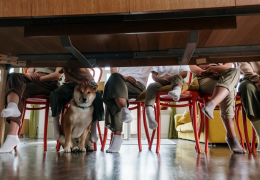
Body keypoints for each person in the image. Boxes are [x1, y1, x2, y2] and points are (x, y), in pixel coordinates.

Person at [0, 67, 62, 153]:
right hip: (33, 80)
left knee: (19, 90)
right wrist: (30, 75)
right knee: (13, 76)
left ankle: (12, 135)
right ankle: (12, 106)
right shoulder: (36, 53)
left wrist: (40, 78)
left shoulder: (60, 54)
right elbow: (30, 69)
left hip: (50, 83)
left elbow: (57, 75)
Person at [190, 63, 246, 153]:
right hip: (204, 78)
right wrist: (207, 72)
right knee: (230, 90)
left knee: (235, 71)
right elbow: (191, 65)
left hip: (223, 76)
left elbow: (227, 67)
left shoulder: (224, 50)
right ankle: (231, 136)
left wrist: (214, 69)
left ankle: (211, 104)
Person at [103, 66, 152, 153]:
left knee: (111, 92)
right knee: (114, 78)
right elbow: (113, 71)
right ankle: (124, 110)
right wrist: (124, 78)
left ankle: (117, 137)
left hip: (137, 85)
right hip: (119, 81)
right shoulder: (119, 55)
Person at [50, 68, 104, 143]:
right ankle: (56, 125)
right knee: (55, 94)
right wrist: (78, 80)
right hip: (70, 84)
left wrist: (89, 81)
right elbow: (65, 70)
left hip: (88, 83)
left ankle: (94, 126)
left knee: (97, 96)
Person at [145, 65, 189, 130]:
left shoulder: (181, 58)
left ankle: (177, 90)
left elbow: (184, 73)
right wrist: (161, 80)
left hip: (177, 80)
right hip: (161, 82)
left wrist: (171, 77)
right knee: (151, 86)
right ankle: (149, 114)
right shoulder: (157, 59)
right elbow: (154, 76)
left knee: (177, 76)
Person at [238, 62, 260, 151]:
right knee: (245, 86)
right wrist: (256, 79)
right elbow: (243, 64)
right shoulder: (241, 47)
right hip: (250, 78)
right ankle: (259, 133)